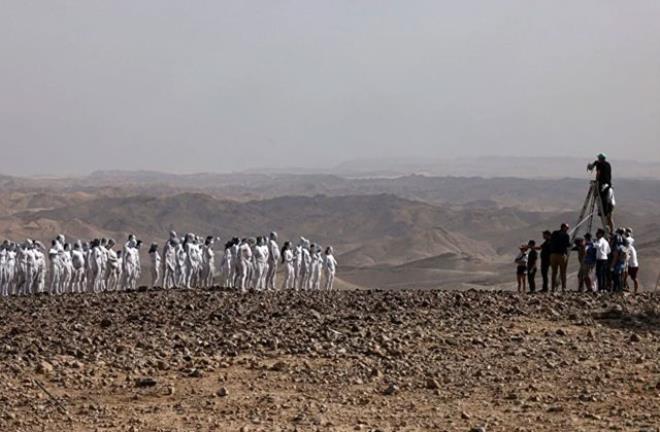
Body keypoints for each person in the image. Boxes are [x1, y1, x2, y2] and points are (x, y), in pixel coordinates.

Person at [587, 153, 614, 233]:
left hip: (602, 184)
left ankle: (602, 211)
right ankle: (611, 229)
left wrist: (597, 180)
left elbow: (598, 173)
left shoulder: (600, 165)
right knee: (609, 214)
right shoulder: (608, 164)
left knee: (602, 199)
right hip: (608, 184)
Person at [549, 223, 571, 292]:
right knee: (562, 272)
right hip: (561, 255)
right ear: (563, 227)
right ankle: (563, 288)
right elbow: (567, 244)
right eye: (566, 228)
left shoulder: (554, 233)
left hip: (553, 255)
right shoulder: (566, 236)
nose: (567, 229)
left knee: (555, 272)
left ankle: (553, 288)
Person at [625, 228, 639, 294]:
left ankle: (634, 290)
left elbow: (626, 255)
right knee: (630, 277)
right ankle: (630, 289)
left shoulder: (629, 247)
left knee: (631, 277)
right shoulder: (632, 248)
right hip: (634, 265)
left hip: (631, 265)